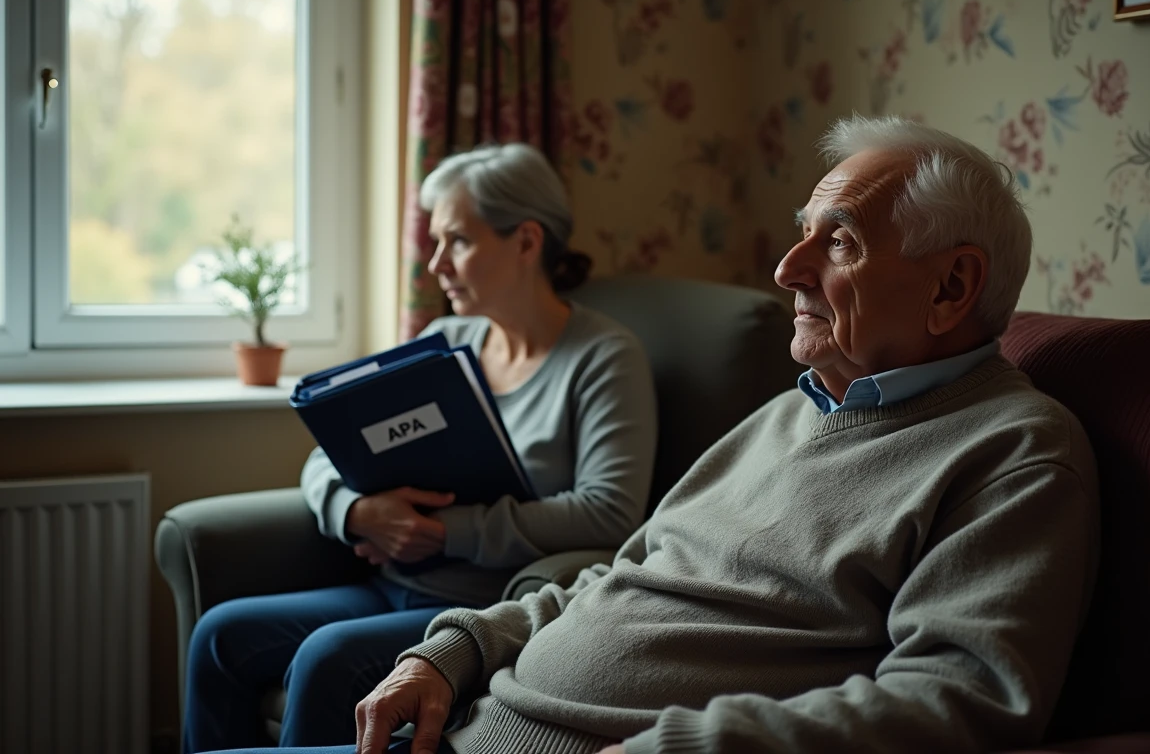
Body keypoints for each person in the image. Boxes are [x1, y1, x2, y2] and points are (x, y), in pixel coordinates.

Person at [226, 116, 1101, 754]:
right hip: (473, 720)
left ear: (952, 287)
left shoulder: (1013, 452)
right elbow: (621, 574)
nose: (786, 269)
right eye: (803, 233)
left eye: (837, 243)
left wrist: (684, 747)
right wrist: (457, 648)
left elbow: (959, 701)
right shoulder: (795, 409)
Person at [182, 144, 659, 751]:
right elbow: (328, 455)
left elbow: (610, 511)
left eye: (456, 241)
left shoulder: (604, 359)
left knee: (327, 655)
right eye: (435, 242)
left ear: (526, 242)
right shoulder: (445, 341)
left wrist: (446, 532)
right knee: (219, 634)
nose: (436, 265)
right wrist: (355, 512)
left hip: (484, 604)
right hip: (390, 580)